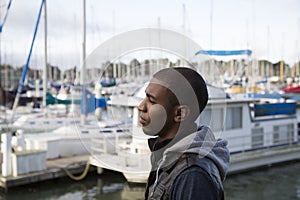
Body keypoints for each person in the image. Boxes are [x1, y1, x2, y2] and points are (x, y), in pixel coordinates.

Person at [138, 67, 230, 200]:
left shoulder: (193, 177)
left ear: (180, 114)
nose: (141, 106)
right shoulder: (166, 153)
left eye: (152, 101)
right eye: (145, 97)